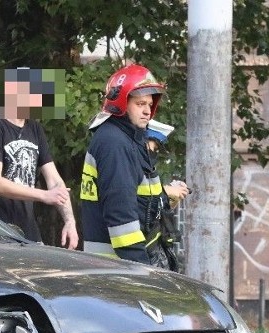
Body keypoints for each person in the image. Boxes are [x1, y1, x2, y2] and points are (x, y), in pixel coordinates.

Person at [80, 63, 175, 265]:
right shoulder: (114, 143)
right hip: (116, 270)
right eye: (140, 104)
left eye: (150, 105)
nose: (147, 111)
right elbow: (122, 220)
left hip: (122, 268)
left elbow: (145, 203)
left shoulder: (130, 139)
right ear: (121, 104)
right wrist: (145, 275)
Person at [0, 68, 78, 249]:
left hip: (29, 232)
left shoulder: (35, 129)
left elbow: (55, 181)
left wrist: (70, 221)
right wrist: (44, 195)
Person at [144, 119, 189, 271]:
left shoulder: (149, 168)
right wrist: (167, 191)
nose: (153, 152)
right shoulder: (129, 162)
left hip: (152, 253)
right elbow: (137, 199)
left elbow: (155, 209)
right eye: (153, 147)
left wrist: (171, 198)